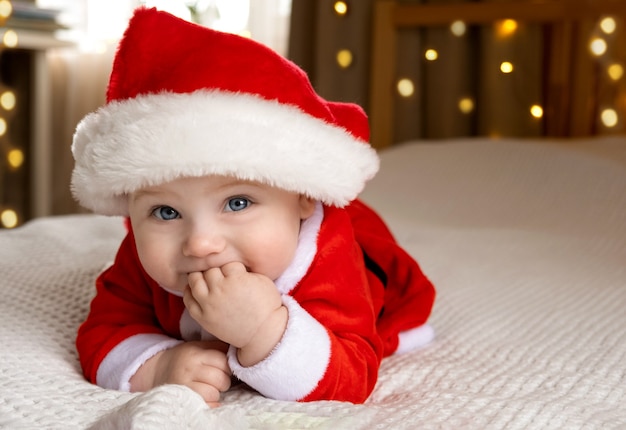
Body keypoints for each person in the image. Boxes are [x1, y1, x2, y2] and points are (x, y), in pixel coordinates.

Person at [73, 7, 435, 406]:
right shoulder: (144, 259)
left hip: (367, 256)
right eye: (166, 212)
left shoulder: (326, 261)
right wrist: (158, 367)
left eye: (238, 202)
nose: (201, 243)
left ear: (302, 195)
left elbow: (354, 376)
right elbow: (104, 329)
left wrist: (265, 330)